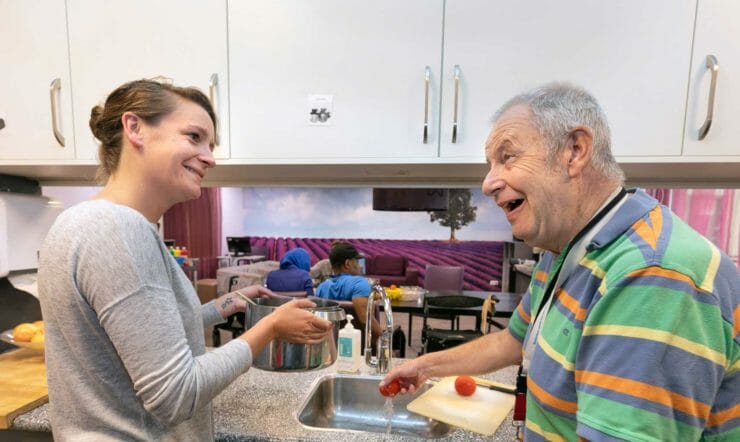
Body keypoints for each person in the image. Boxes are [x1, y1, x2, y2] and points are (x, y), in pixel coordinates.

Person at [381, 83, 739, 441]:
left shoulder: (652, 275)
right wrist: (424, 367)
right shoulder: (565, 249)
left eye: (507, 157)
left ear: (575, 151)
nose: (488, 183)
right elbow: (513, 340)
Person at [37, 79, 333, 441]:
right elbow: (176, 396)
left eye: (210, 145)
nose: (210, 157)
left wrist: (225, 305)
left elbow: (138, 332)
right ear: (135, 128)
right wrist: (268, 329)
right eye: (194, 137)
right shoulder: (119, 230)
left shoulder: (83, 222)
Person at [315, 241, 383, 337]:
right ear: (347, 264)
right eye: (356, 261)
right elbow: (366, 319)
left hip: (329, 345)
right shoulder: (359, 283)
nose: (359, 266)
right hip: (357, 346)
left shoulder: (321, 287)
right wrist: (385, 338)